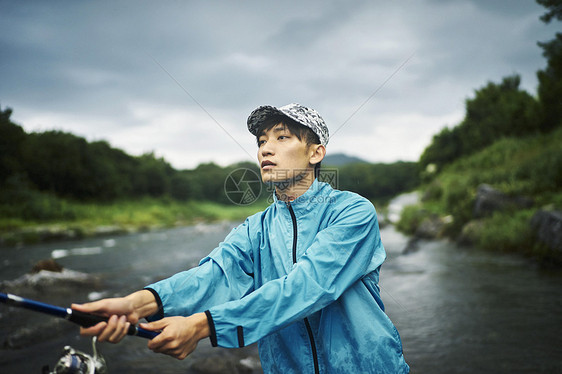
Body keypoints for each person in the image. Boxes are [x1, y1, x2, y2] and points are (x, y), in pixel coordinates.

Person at [74, 103, 410, 373]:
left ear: (315, 153)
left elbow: (307, 287)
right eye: (262, 141)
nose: (266, 148)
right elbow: (213, 276)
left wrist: (202, 325)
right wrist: (137, 304)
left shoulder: (353, 212)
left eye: (282, 138)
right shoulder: (256, 228)